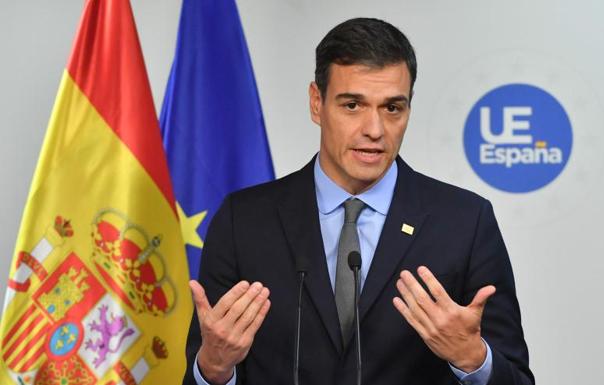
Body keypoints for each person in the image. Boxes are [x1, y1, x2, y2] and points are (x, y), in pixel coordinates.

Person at [183, 17, 534, 385]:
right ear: (316, 103)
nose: (375, 129)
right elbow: (200, 375)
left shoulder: (464, 221)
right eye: (353, 105)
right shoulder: (245, 220)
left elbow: (518, 379)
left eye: (392, 108)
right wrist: (215, 368)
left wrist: (473, 359)